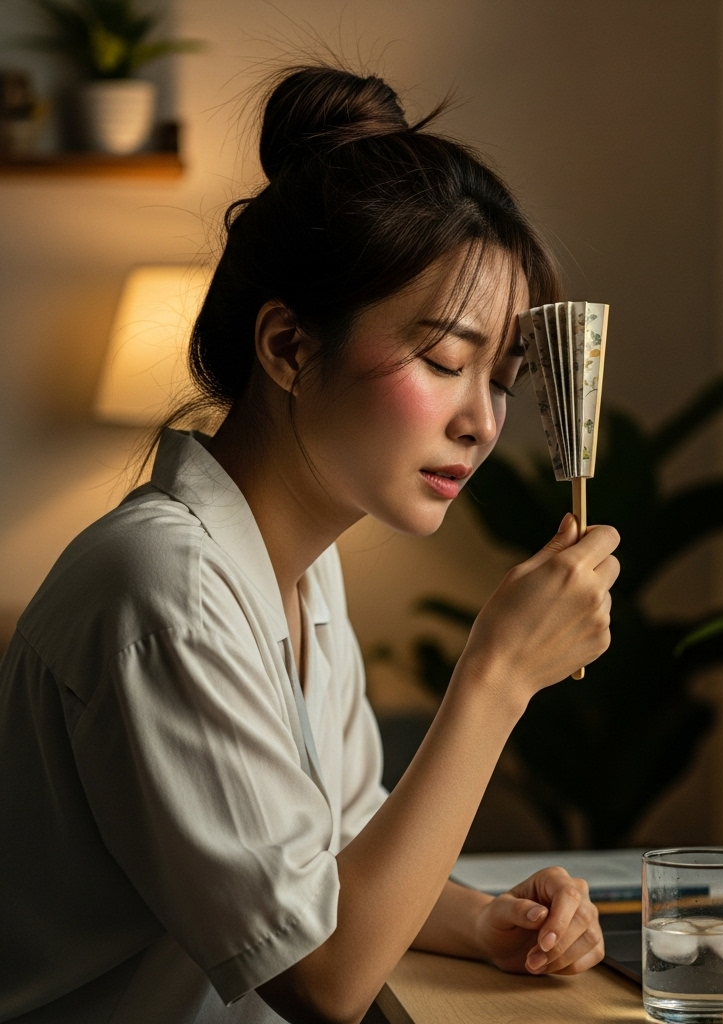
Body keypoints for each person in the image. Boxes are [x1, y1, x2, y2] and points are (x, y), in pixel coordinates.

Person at [0, 66, 620, 1024]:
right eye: (446, 360)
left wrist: (486, 920)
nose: (482, 422)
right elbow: (323, 977)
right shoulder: (163, 588)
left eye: (502, 377)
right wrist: (497, 675)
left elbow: (332, 862)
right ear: (288, 346)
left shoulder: (296, 568)